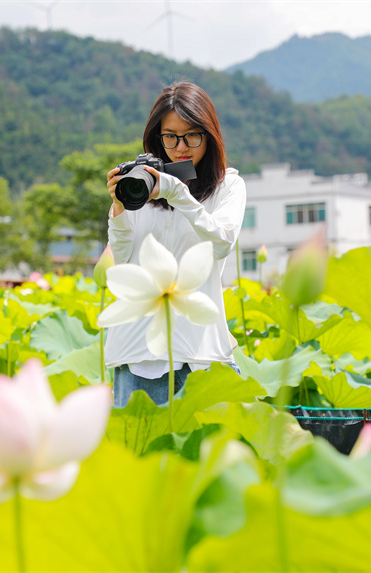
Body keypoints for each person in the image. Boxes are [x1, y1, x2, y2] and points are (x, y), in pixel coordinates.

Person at [104, 81, 246, 408]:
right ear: (157, 138)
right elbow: (123, 264)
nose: (181, 146)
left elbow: (221, 242)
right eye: (170, 136)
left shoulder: (228, 187)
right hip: (139, 353)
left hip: (201, 352)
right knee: (143, 457)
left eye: (193, 135)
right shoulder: (140, 187)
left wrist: (176, 192)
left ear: (210, 136)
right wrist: (120, 208)